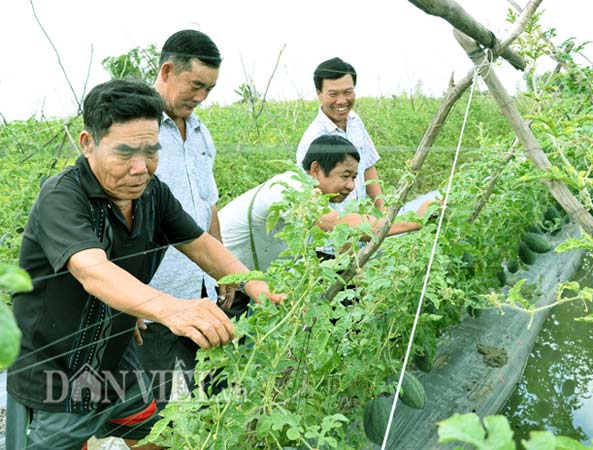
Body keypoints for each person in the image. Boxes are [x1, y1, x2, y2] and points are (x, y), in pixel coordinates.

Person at [6, 79, 282, 450]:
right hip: (59, 371)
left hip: (117, 357)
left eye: (151, 152)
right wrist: (171, 309)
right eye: (124, 154)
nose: (141, 169)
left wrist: (254, 284)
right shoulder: (63, 197)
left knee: (153, 433)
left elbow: (199, 243)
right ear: (88, 143)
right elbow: (92, 270)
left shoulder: (152, 193)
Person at [136, 30, 227, 422]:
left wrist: (223, 272)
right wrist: (129, 300)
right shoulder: (137, 128)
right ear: (168, 71)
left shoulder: (201, 132)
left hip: (201, 291)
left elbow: (209, 206)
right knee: (150, 411)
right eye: (196, 85)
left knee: (216, 395)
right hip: (155, 297)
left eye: (208, 89)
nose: (201, 96)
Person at [219, 134, 432, 278]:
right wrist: (415, 220)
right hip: (219, 276)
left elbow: (344, 241)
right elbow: (342, 225)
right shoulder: (290, 188)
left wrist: (361, 286)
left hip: (248, 276)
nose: (350, 186)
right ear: (315, 169)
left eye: (354, 178)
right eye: (345, 176)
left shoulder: (322, 197)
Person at [296, 57, 384, 211]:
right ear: (319, 94)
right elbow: (310, 196)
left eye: (348, 92)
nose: (342, 101)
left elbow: (368, 167)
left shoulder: (355, 121)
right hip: (335, 229)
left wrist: (383, 212)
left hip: (360, 223)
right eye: (333, 94)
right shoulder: (313, 139)